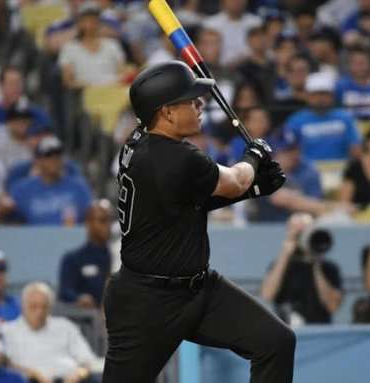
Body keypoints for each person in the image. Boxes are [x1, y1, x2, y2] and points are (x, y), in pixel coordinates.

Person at [103, 60, 293, 382]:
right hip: (147, 304)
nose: (200, 104)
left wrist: (255, 187)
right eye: (190, 99)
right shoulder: (176, 157)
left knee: (275, 341)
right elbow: (235, 180)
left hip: (199, 290)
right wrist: (255, 155)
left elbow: (191, 202)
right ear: (166, 112)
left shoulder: (141, 142)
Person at [2, 283, 103, 383]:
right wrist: (33, 374)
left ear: (50, 308)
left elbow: (88, 361)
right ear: (23, 306)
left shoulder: (65, 326)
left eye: (44, 307)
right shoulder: (7, 331)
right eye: (33, 306)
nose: (39, 312)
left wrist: (78, 375)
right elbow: (3, 364)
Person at [260, 213, 343, 325]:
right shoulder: (280, 266)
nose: (303, 237)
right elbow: (267, 295)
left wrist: (316, 259)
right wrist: (285, 254)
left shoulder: (329, 268)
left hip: (318, 331)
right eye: (299, 233)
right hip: (287, 331)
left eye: (306, 232)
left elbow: (332, 306)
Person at [5, 136, 92, 225]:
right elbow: (1, 212)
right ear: (37, 160)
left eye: (58, 155)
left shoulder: (78, 187)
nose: (54, 160)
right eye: (48, 156)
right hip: (33, 238)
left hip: (70, 237)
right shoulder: (22, 189)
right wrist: (3, 208)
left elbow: (93, 215)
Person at [283, 71, 361, 161]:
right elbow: (287, 151)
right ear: (308, 96)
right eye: (315, 94)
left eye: (324, 94)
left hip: (342, 169)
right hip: (307, 172)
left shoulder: (345, 118)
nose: (320, 99)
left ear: (332, 96)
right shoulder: (295, 121)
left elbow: (356, 148)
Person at [58, 200, 113, 308]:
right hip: (86, 320)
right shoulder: (73, 259)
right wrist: (79, 298)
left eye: (110, 220)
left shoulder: (119, 256)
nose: (108, 225)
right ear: (88, 223)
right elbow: (65, 292)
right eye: (102, 220)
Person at [58, 1, 125, 88]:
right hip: (85, 93)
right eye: (86, 20)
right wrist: (90, 87)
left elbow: (121, 72)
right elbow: (68, 81)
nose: (91, 23)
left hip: (112, 91)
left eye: (94, 19)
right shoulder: (69, 48)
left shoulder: (112, 45)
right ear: (79, 23)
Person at [0, 67, 50, 143]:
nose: (15, 88)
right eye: (11, 83)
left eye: (18, 83)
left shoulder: (37, 115)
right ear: (1, 86)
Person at [202, 0, 262, 66]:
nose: (236, 1)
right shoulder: (210, 24)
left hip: (250, 68)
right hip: (219, 68)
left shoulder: (256, 23)